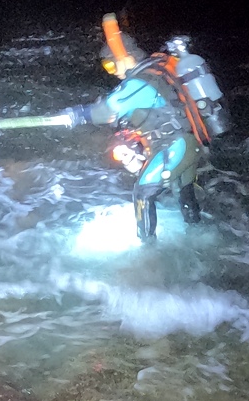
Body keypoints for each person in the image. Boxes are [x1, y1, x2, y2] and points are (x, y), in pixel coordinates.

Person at [60, 13, 230, 240]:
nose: (112, 71)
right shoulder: (158, 68)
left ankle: (147, 249)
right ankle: (199, 235)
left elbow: (105, 111)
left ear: (126, 57)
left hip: (174, 147)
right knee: (183, 191)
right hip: (191, 143)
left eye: (111, 64)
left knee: (143, 192)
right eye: (107, 67)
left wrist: (77, 114)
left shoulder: (138, 83)